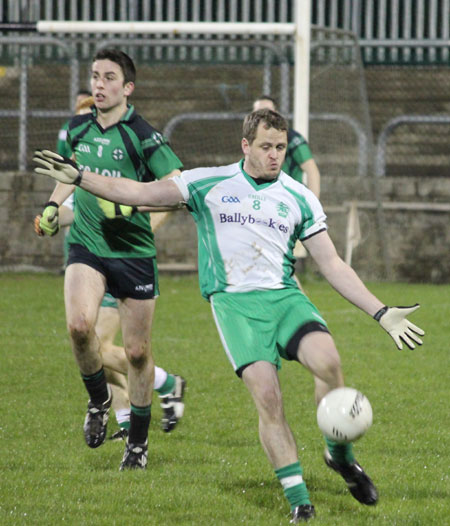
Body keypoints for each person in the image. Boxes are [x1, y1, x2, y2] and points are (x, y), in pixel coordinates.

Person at [33, 109, 425, 523]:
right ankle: (300, 502)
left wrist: (381, 312)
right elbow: (136, 191)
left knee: (329, 362)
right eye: (266, 147)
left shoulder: (299, 196)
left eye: (280, 148)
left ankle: (340, 456)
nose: (275, 156)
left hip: (284, 298)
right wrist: (81, 179)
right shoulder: (208, 183)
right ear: (246, 146)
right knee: (268, 397)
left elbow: (332, 265)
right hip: (234, 306)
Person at [34, 48, 184, 471]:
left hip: (133, 253)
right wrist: (51, 206)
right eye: (95, 76)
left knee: (137, 353)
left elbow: (176, 189)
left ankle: (137, 444)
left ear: (128, 87)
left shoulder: (144, 135)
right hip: (86, 246)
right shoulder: (77, 129)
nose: (99, 84)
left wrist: (134, 205)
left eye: (109, 77)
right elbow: (68, 174)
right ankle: (99, 399)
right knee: (80, 327)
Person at [34, 197, 186, 436]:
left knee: (99, 348)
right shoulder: (82, 171)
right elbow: (73, 210)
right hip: (87, 264)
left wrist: (136, 234)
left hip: (118, 263)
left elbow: (166, 198)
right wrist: (49, 217)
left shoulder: (120, 169)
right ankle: (125, 421)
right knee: (91, 349)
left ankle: (166, 383)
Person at [253, 95, 321, 198]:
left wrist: (313, 207)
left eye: (267, 111)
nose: (263, 116)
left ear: (276, 113)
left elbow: (312, 171)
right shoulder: (251, 140)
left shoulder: (292, 139)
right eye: (258, 112)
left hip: (289, 199)